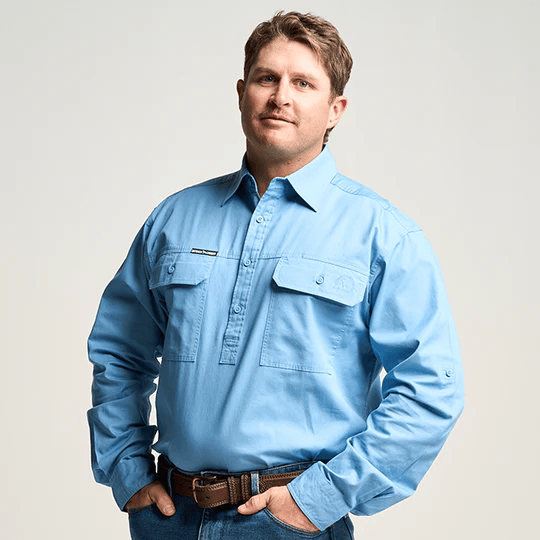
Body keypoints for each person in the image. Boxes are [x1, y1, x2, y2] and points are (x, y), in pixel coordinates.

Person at [88, 11, 464, 540]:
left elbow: (431, 390)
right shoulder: (173, 219)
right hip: (170, 518)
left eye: (303, 83)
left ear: (335, 110)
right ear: (242, 92)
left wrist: (322, 498)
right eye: (267, 78)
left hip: (290, 522)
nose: (280, 97)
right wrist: (127, 470)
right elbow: (119, 353)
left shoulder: (382, 235)